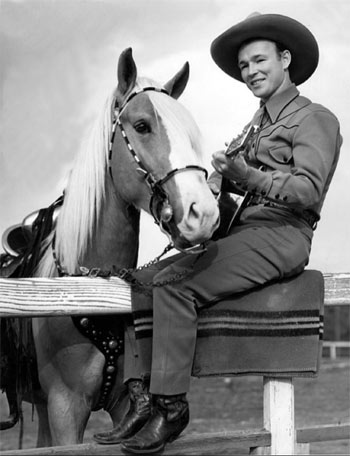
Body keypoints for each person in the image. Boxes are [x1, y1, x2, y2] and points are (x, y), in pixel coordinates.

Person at [93, 12, 342, 454]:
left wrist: (247, 175)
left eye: (260, 60)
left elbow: (308, 188)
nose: (251, 72)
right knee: (140, 280)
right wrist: (214, 186)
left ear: (285, 59)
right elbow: (233, 188)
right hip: (241, 234)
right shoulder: (256, 124)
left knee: (174, 287)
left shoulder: (315, 118)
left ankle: (171, 407)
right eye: (244, 66)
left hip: (282, 235)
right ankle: (139, 394)